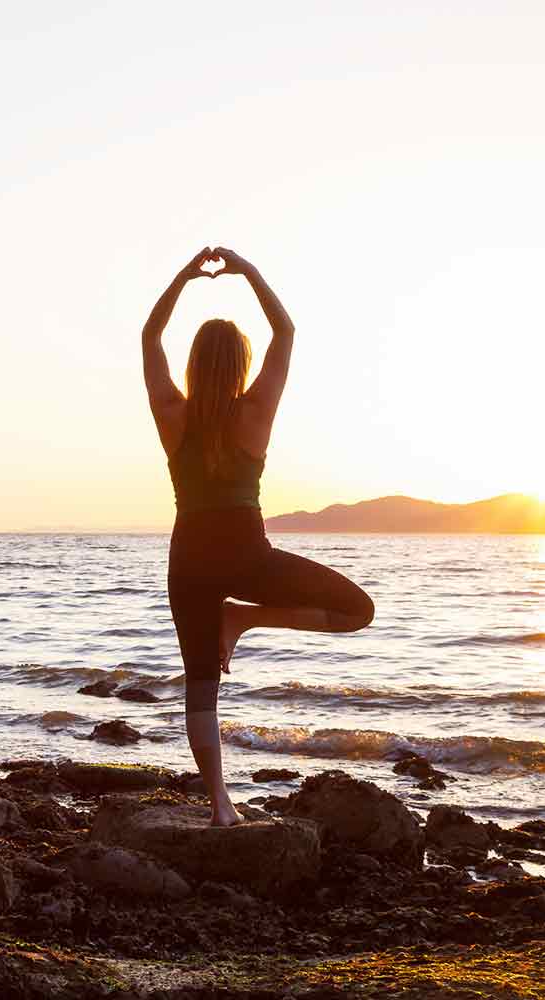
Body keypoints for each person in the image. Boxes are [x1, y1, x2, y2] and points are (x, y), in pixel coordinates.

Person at [142, 246, 375, 827]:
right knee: (357, 611)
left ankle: (220, 805)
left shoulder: (172, 411)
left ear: (195, 363)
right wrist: (249, 274)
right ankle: (245, 617)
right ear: (242, 363)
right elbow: (286, 330)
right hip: (247, 554)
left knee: (201, 688)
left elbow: (150, 337)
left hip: (189, 559)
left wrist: (182, 279)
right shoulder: (255, 413)